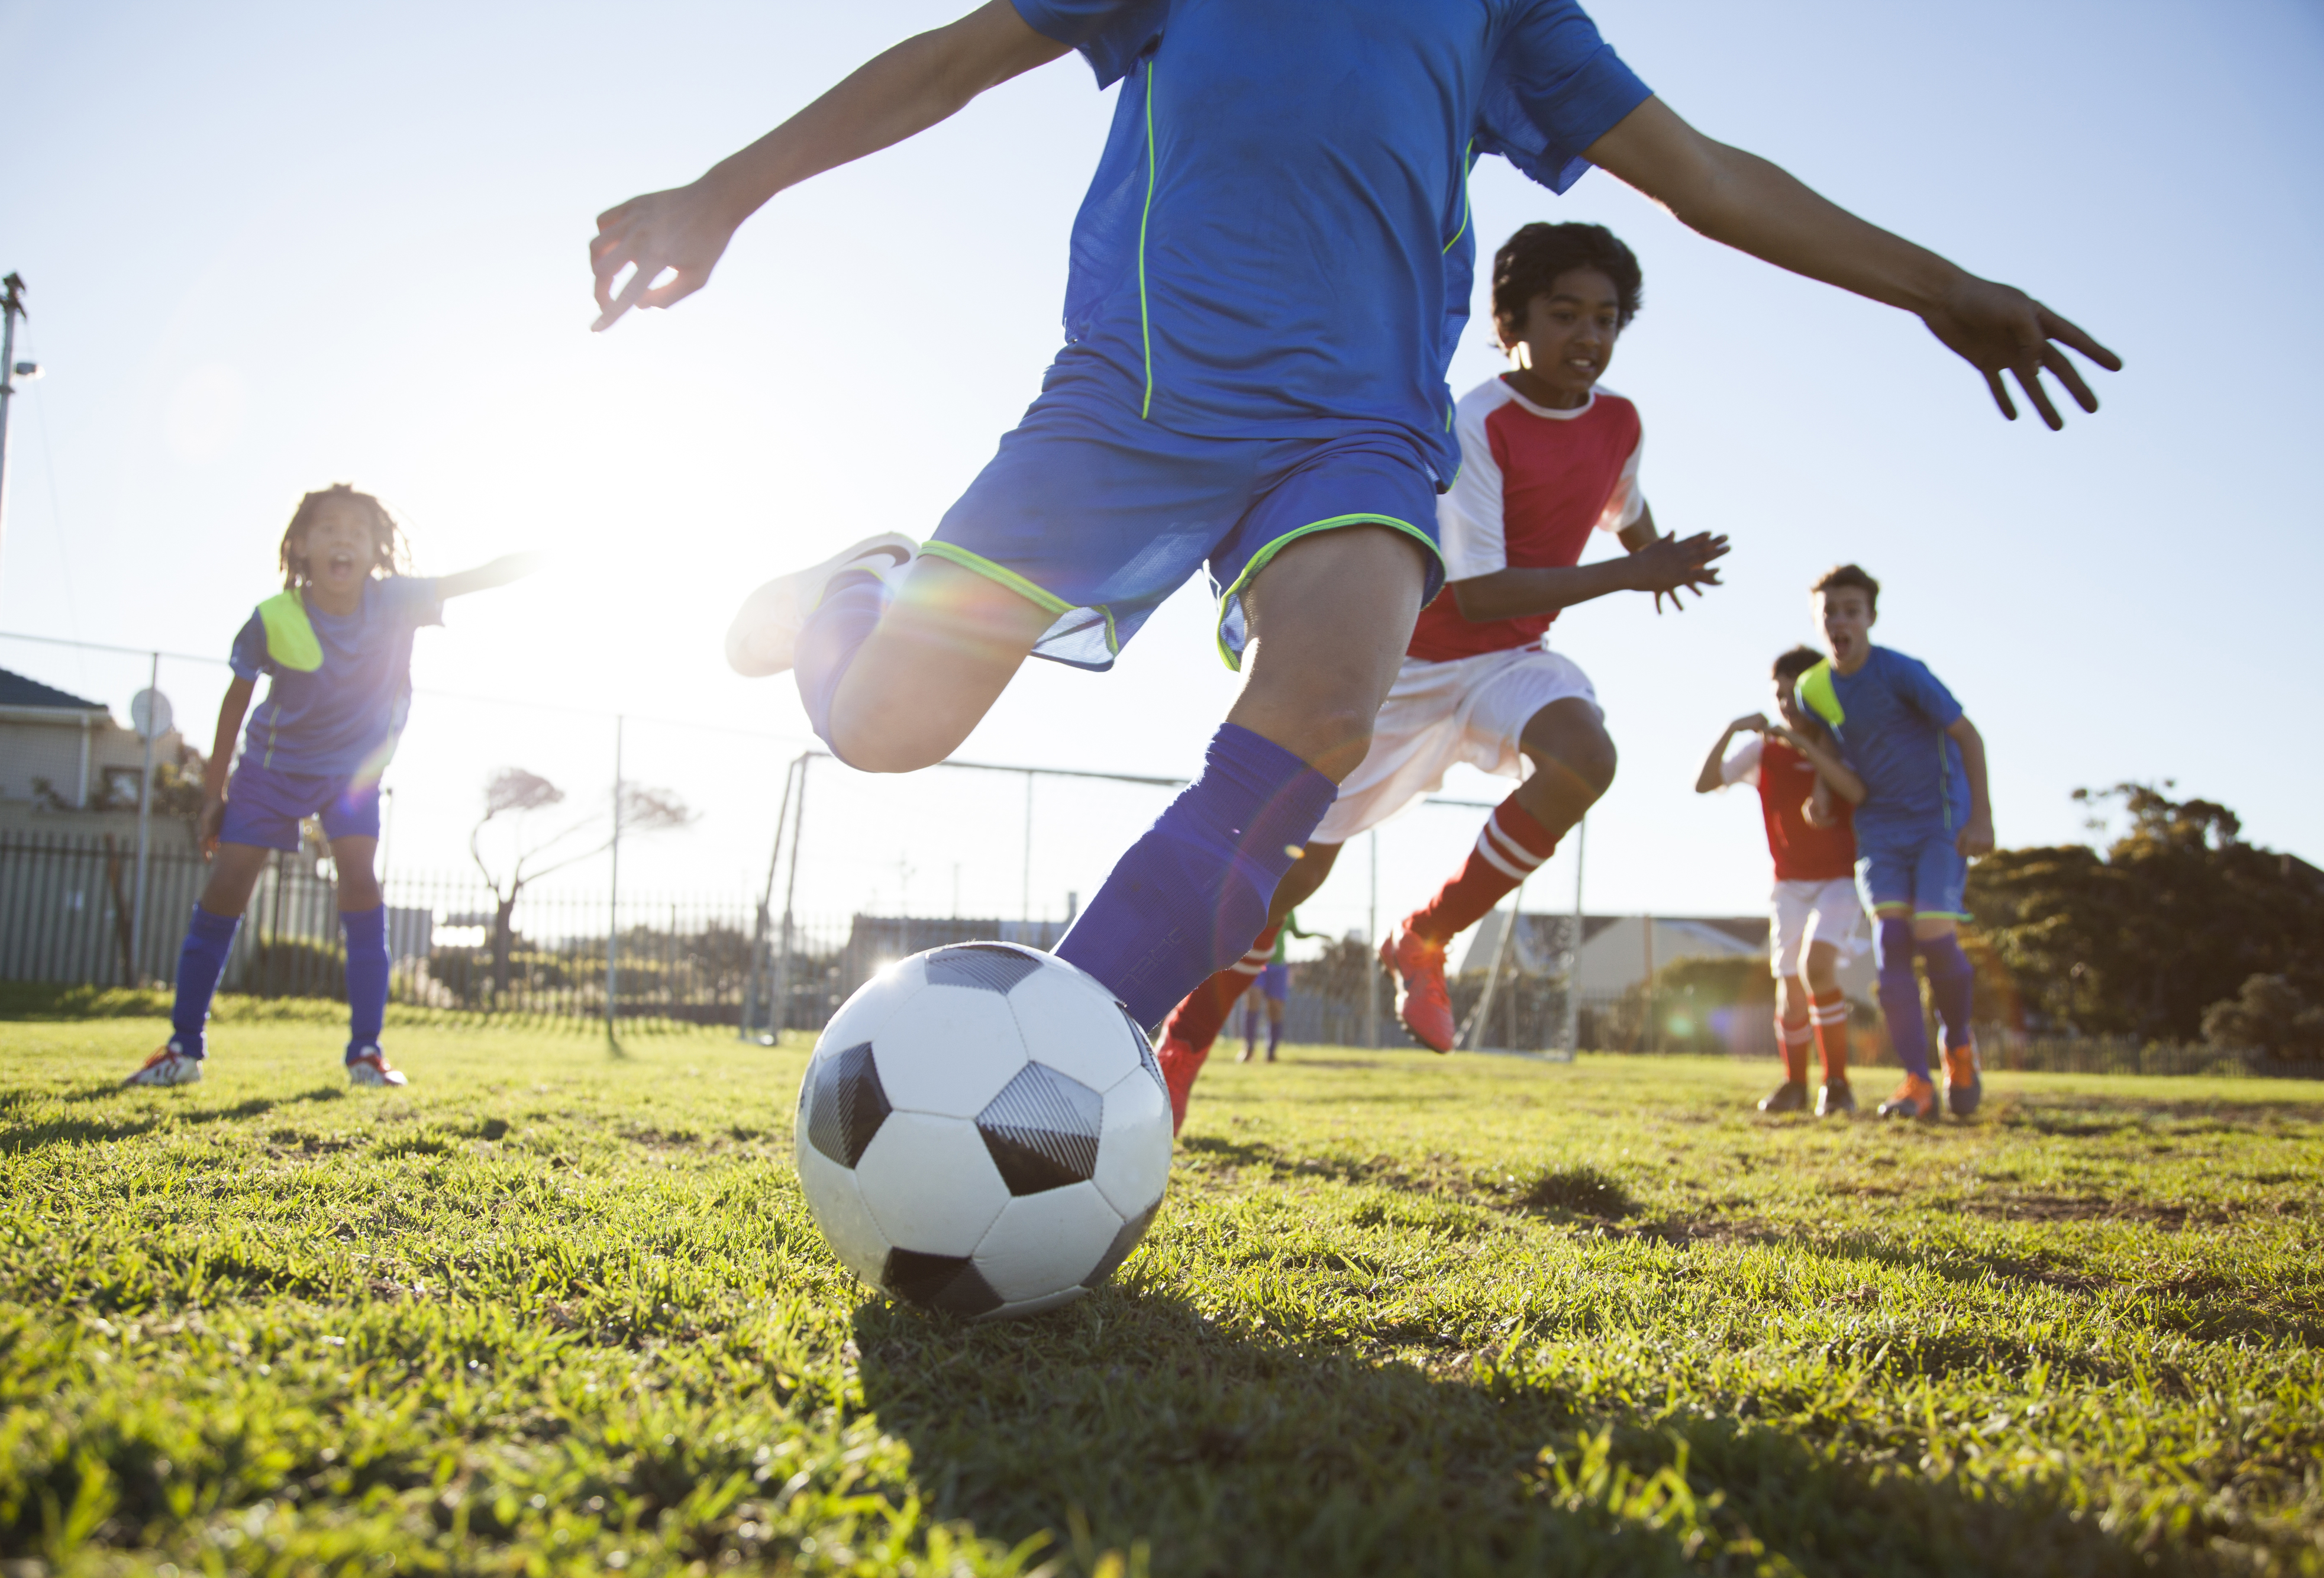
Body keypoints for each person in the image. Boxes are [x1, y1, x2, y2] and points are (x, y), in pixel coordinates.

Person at [589, 0, 2115, 1124]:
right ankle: (865, 584)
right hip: (1129, 401)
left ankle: (1063, 1062)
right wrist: (725, 191)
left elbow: (1701, 176)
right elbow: (955, 58)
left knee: (1322, 713)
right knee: (885, 731)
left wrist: (1938, 286)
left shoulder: (1507, 10)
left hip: (1357, 428)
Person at [1154, 221, 1725, 1117]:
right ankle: (1184, 1045)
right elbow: (1487, 592)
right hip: (1409, 661)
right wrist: (1633, 573)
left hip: (1507, 663)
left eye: (1607, 319)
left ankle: (1426, 938)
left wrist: (1661, 556)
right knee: (1293, 877)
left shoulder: (1620, 421)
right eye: (1564, 314)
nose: (1589, 337)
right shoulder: (1478, 421)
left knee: (1587, 756)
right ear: (1513, 325)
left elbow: (1625, 505)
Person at [125, 486, 541, 1089]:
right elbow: (234, 705)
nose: (342, 538)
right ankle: (183, 1048)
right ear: (300, 546)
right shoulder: (273, 617)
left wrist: (551, 555)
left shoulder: (397, 600)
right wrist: (214, 793)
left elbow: (476, 577)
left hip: (352, 772)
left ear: (376, 549)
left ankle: (366, 1052)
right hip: (272, 769)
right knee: (228, 884)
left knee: (360, 879)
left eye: (356, 530)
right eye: (328, 529)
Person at [1797, 565, 1990, 1119]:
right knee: (1892, 944)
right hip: (1879, 827)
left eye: (1851, 611)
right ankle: (1917, 1081)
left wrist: (1983, 818)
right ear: (1819, 619)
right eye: (1830, 611)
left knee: (1932, 930)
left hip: (1938, 819)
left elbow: (1967, 735)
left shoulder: (1903, 673)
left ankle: (1958, 1045)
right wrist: (1821, 791)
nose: (1840, 621)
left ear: (1871, 618)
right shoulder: (1814, 686)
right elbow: (1828, 740)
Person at [1696, 644, 1870, 1116]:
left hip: (1837, 880)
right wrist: (1733, 729)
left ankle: (1837, 1084)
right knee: (1789, 982)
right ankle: (1795, 1083)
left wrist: (1817, 765)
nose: (1788, 706)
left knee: (1818, 967)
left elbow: (1853, 792)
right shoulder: (1764, 750)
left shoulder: (1841, 744)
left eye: (1797, 695)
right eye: (1781, 696)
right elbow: (1705, 782)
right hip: (1788, 884)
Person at [1232, 910, 1321, 1063]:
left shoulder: (1290, 910)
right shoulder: (1261, 903)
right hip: (1259, 963)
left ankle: (1271, 1052)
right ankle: (1248, 1049)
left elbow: (1297, 933)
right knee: (1253, 1000)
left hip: (1278, 967)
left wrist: (1316, 934)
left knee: (1276, 1007)